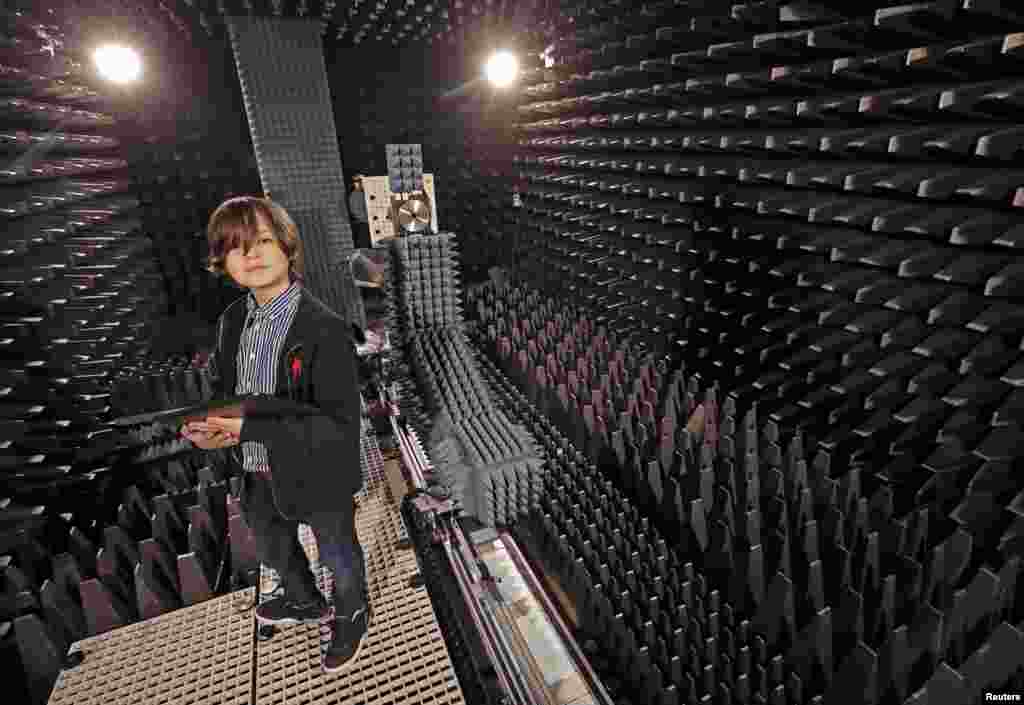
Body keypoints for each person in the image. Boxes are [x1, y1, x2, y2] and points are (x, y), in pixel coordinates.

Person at [179, 195, 370, 674]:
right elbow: (227, 393)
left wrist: (251, 427)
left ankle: (351, 613)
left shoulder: (325, 330)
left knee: (337, 553)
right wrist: (215, 431)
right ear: (221, 262)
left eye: (263, 240)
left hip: (320, 470)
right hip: (256, 466)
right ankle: (305, 602)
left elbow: (336, 425)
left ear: (287, 247)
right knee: (273, 546)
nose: (252, 254)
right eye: (236, 247)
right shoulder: (231, 324)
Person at [348, 175, 371, 249]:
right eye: (360, 181)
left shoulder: (364, 193)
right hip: (366, 225)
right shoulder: (355, 196)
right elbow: (359, 214)